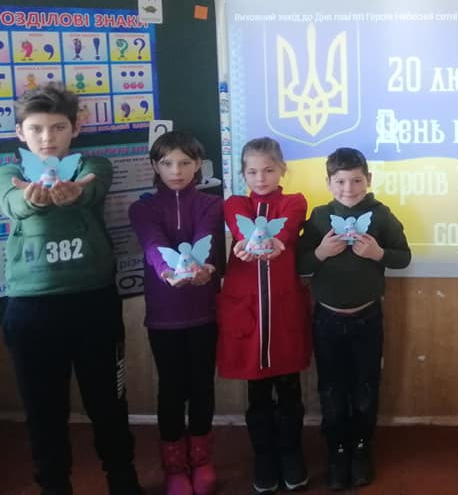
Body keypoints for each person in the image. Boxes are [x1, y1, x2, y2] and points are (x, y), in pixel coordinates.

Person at [0, 82, 142, 494]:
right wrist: (32, 200)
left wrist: (75, 192)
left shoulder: (92, 164)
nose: (48, 137)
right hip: (30, 309)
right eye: (37, 128)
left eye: (58, 127)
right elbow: (11, 202)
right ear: (20, 132)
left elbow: (93, 185)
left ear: (75, 129)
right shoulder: (10, 173)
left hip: (94, 303)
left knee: (108, 402)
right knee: (43, 411)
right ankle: (53, 485)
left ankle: (123, 478)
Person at [296, 147, 411, 491]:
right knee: (331, 389)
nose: (349, 188)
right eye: (341, 181)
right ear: (329, 183)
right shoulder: (319, 217)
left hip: (367, 318)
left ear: (368, 180)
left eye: (357, 180)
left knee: (365, 387)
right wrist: (320, 253)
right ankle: (337, 451)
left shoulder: (381, 216)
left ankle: (361, 449)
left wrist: (378, 253)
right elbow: (299, 263)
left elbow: (403, 257)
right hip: (327, 320)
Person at [129, 131, 225, 495]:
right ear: (155, 166)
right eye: (167, 163)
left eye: (185, 162)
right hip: (164, 316)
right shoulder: (142, 208)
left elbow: (206, 239)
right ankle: (174, 466)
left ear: (198, 165)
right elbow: (153, 244)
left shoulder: (212, 204)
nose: (176, 171)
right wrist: (168, 272)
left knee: (202, 387)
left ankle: (201, 459)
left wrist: (202, 268)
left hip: (204, 312)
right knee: (171, 389)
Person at [218, 137, 311, 494]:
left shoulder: (294, 201)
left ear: (282, 169)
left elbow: (287, 228)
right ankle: (264, 457)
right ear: (243, 174)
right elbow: (240, 226)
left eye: (269, 170)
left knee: (289, 389)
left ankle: (291, 454)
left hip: (283, 311)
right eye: (253, 171)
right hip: (248, 314)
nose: (261, 178)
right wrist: (247, 242)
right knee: (256, 392)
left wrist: (275, 242)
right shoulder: (235, 203)